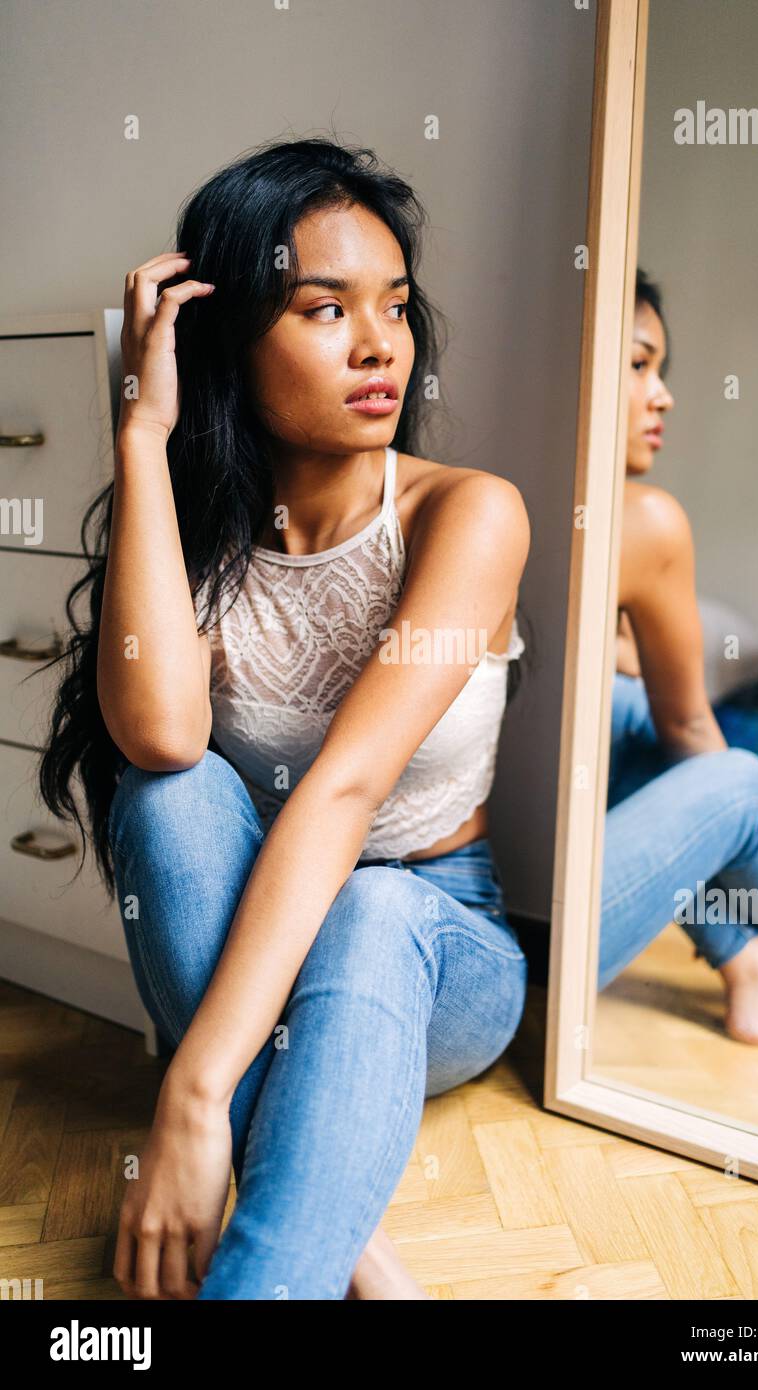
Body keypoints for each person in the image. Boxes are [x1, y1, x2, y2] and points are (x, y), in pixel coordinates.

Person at [37, 137, 531, 1300]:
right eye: (324, 311)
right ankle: (323, 1211)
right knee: (166, 790)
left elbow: (345, 793)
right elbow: (159, 736)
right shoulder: (203, 534)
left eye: (395, 308)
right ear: (228, 338)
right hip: (259, 944)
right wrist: (142, 437)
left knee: (368, 894)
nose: (380, 348)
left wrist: (192, 1098)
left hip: (433, 948)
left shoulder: (469, 516)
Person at [596, 266, 758, 1054]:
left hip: (500, 885)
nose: (664, 395)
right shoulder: (645, 522)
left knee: (626, 712)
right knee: (732, 779)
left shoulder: (490, 496)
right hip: (534, 932)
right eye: (640, 364)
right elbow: (690, 734)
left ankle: (753, 973)